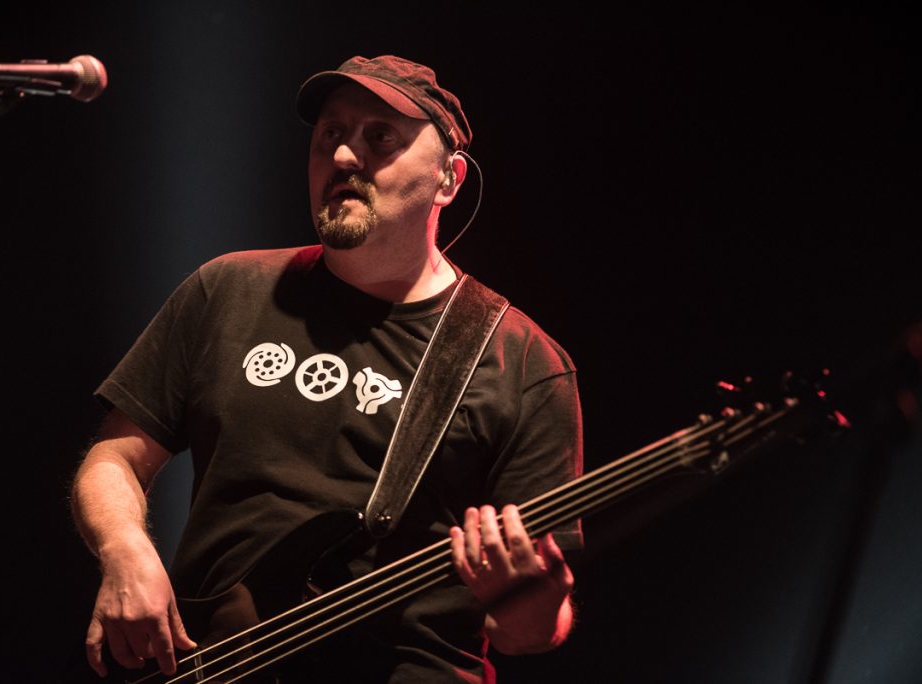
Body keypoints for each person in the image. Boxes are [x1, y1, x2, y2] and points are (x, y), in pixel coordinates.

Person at [71, 55, 583, 683]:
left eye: (380, 137)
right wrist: (124, 549)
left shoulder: (522, 362)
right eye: (330, 134)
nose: (343, 156)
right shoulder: (227, 289)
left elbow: (528, 634)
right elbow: (114, 459)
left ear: (448, 179)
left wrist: (534, 595)